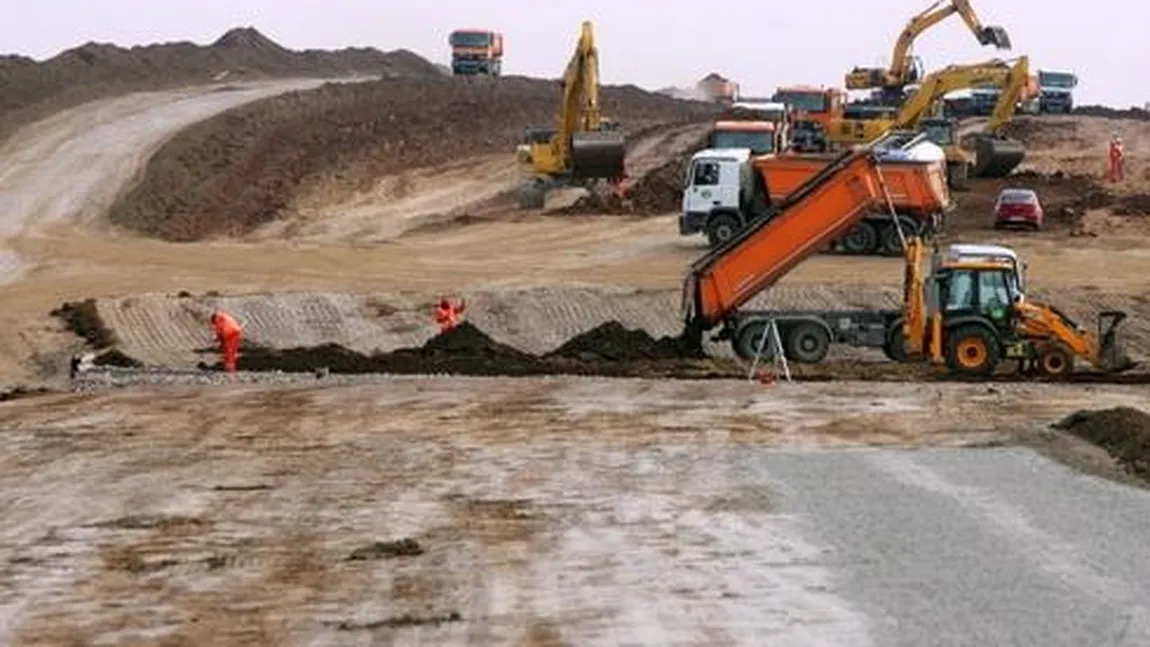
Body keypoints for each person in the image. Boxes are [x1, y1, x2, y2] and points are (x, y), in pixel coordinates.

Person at [209, 310, 243, 375]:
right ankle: (231, 368)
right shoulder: (224, 316)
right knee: (233, 351)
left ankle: (229, 369)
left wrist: (218, 339)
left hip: (230, 333)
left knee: (229, 351)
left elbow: (220, 331)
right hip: (235, 331)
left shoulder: (218, 319)